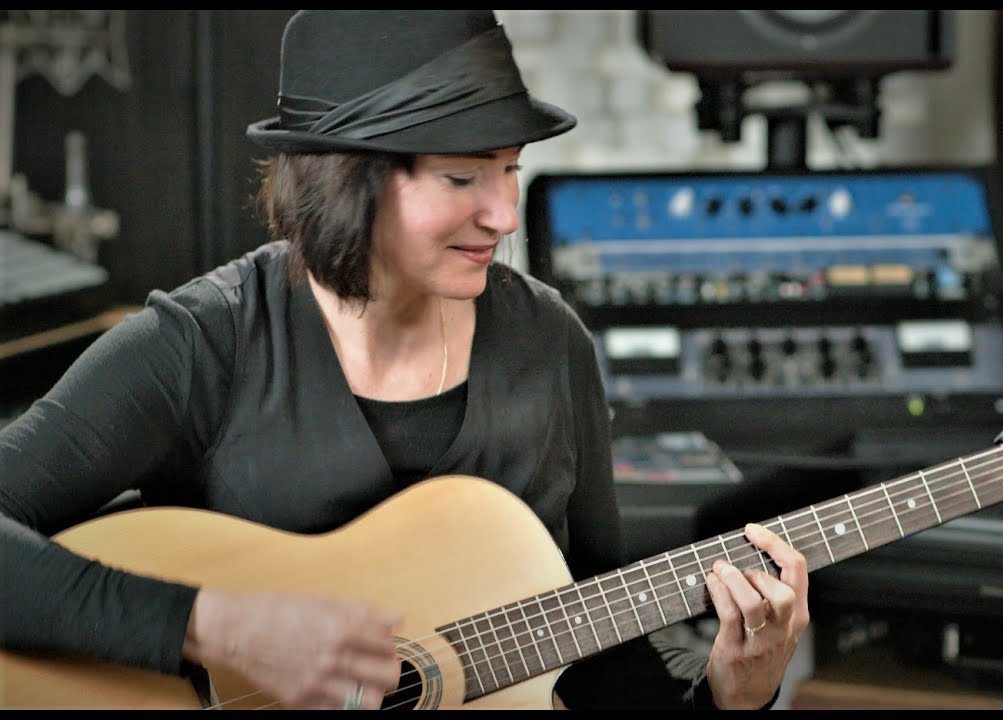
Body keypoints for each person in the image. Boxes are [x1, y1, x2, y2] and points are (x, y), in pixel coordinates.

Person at [0, 10, 809, 710]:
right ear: (346, 179)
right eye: (462, 176)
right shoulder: (203, 344)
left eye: (511, 169)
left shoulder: (548, 342)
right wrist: (209, 626)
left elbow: (599, 655)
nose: (504, 214)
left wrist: (730, 692)